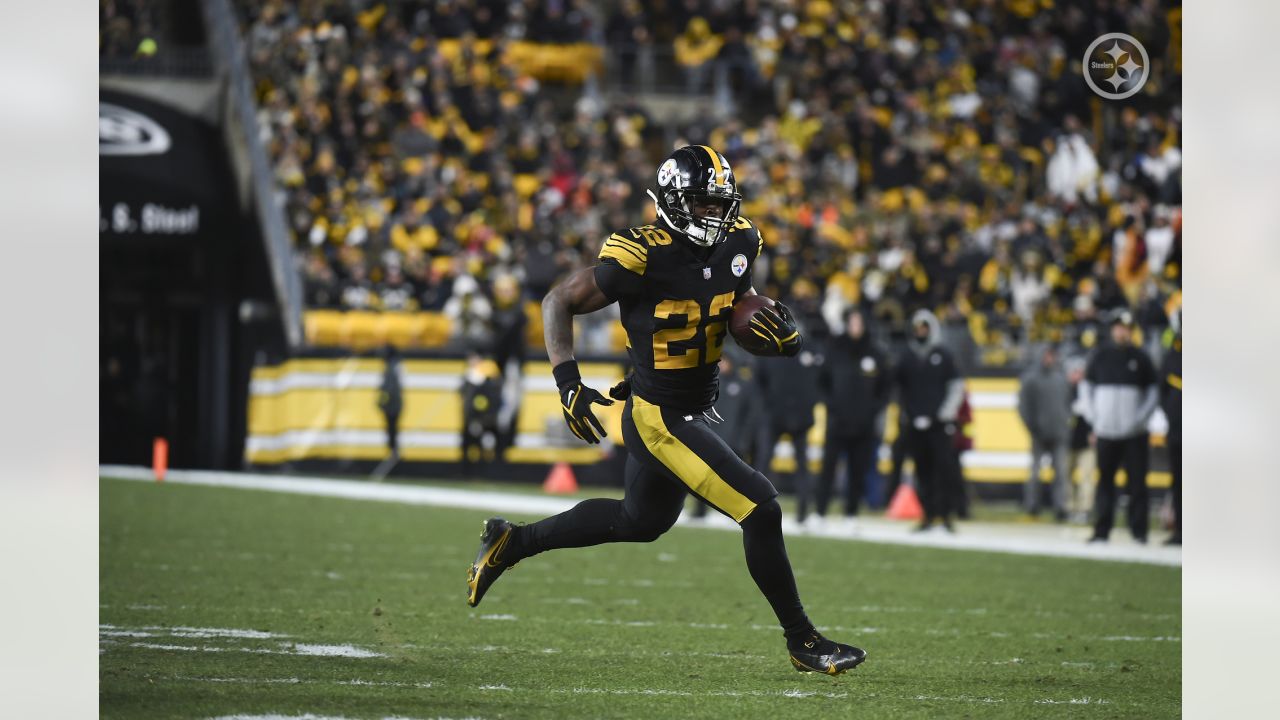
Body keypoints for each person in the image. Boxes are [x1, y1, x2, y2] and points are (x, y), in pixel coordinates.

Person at [464, 146, 866, 675]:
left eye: (719, 203)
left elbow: (735, 301)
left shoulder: (740, 240)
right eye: (701, 203)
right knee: (761, 508)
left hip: (693, 407)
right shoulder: (640, 253)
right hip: (659, 415)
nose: (714, 215)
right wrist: (568, 382)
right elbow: (556, 300)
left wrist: (776, 328)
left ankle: (513, 541)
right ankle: (803, 640)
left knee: (641, 520)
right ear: (674, 202)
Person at [1081, 311, 1159, 544]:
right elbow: (1086, 389)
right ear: (1113, 329)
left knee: (1137, 483)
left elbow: (1152, 393)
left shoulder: (1141, 358)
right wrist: (1094, 419)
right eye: (1118, 327)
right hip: (1106, 431)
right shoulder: (1100, 356)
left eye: (1126, 327)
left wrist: (1139, 420)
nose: (1122, 331)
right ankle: (1102, 530)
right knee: (1104, 481)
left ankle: (1139, 531)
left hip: (1134, 433)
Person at [815, 308, 890, 524]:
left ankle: (851, 514)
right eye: (852, 322)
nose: (855, 326)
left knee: (858, 470)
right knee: (828, 468)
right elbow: (822, 382)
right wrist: (831, 406)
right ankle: (820, 512)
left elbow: (885, 388)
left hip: (864, 424)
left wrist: (873, 409)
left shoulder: (875, 352)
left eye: (859, 322)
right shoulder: (835, 349)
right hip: (837, 421)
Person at [893, 310, 965, 533]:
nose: (921, 332)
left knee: (943, 469)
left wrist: (945, 413)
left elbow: (956, 387)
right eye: (918, 328)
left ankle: (945, 516)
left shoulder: (944, 354)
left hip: (939, 424)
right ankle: (928, 514)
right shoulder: (907, 356)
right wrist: (906, 414)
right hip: (915, 423)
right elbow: (898, 387)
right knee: (921, 469)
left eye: (925, 328)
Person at [756, 332, 822, 524]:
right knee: (764, 461)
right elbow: (760, 381)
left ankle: (803, 511)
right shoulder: (771, 349)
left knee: (799, 464)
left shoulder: (808, 348)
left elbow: (820, 381)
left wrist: (808, 405)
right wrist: (769, 405)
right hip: (777, 414)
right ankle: (752, 505)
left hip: (799, 415)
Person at [690, 348, 764, 519]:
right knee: (703, 478)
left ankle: (738, 512)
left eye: (725, 361)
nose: (722, 364)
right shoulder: (710, 383)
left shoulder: (744, 385)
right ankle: (699, 512)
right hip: (709, 438)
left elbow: (750, 416)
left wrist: (743, 439)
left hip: (733, 442)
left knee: (734, 481)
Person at [1017, 344, 1074, 521]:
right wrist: (1032, 427)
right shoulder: (1030, 379)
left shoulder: (1060, 378)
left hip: (1059, 433)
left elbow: (1068, 404)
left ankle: (1061, 508)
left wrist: (1065, 424)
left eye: (1052, 356)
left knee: (1061, 473)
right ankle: (1032, 506)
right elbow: (1023, 407)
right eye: (1048, 355)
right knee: (1035, 473)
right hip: (1038, 433)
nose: (1050, 359)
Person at [1159, 311, 1181, 545]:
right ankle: (1180, 530)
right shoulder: (1173, 354)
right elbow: (1162, 390)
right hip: (1177, 430)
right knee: (1178, 480)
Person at [377, 344, 403, 459]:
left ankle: (393, 451)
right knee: (392, 428)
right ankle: (393, 450)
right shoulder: (396, 366)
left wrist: (382, 402)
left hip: (392, 405)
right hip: (396, 404)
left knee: (391, 428)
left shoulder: (390, 368)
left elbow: (388, 390)